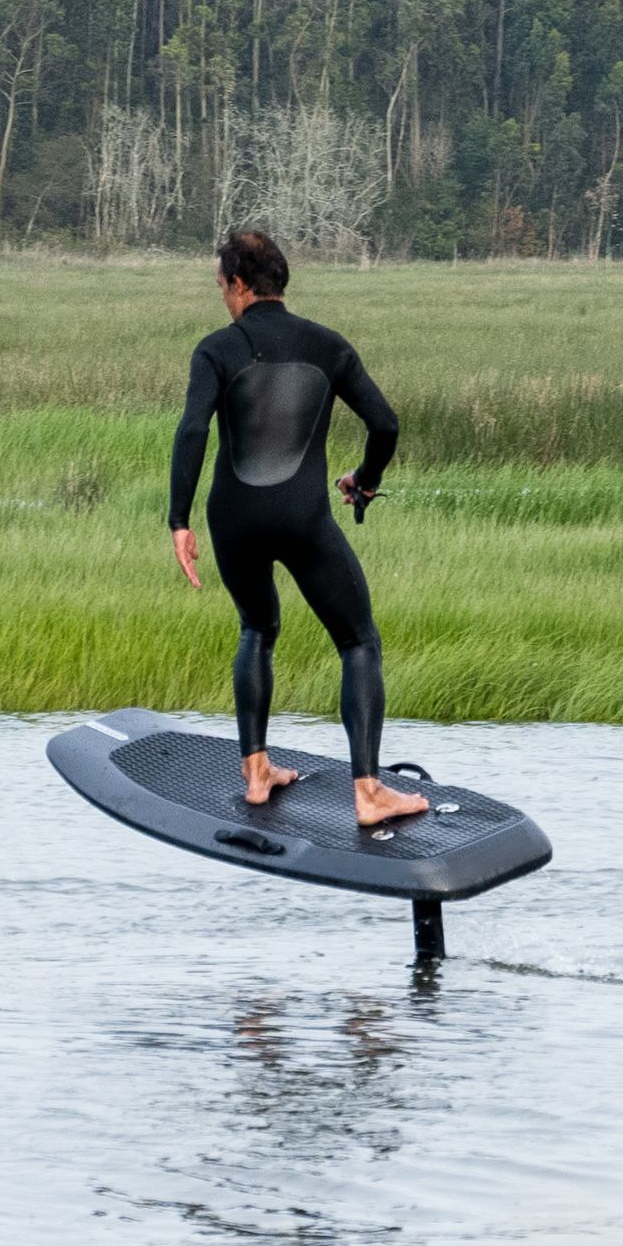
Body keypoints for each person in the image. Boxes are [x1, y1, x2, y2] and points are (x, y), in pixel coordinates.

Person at [165, 225, 420, 829]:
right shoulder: (328, 346)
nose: (222, 296)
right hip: (303, 518)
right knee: (358, 642)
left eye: (221, 285)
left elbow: (193, 430)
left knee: (257, 627)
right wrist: (366, 477)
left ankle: (256, 772)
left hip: (233, 520)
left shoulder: (217, 349)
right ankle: (368, 791)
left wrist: (179, 520)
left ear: (239, 285)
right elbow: (384, 425)